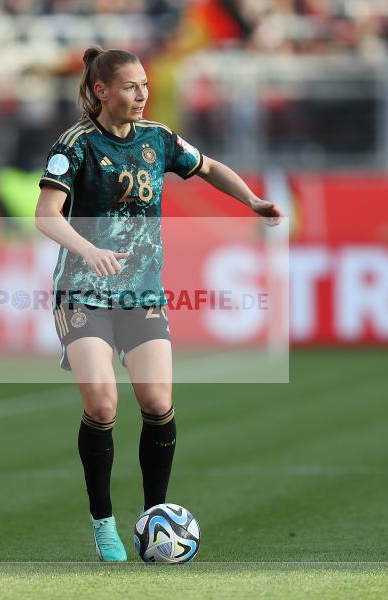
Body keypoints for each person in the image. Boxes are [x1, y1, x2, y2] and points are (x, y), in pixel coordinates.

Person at [34, 46, 284, 562]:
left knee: (157, 402)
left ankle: (154, 520)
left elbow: (208, 166)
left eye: (145, 84)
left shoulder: (158, 139)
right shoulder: (75, 144)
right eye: (130, 86)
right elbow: (46, 215)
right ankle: (103, 522)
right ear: (101, 91)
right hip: (83, 290)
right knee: (102, 404)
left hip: (141, 292)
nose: (142, 94)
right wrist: (88, 249)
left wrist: (252, 201)